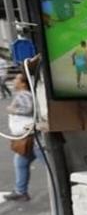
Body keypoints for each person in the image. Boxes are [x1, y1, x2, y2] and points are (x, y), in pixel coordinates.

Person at [5, 73, 39, 202]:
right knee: (20, 162)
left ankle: (21, 191)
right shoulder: (23, 94)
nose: (14, 81)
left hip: (30, 137)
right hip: (27, 137)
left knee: (48, 163)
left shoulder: (23, 94)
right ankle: (20, 191)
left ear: (23, 83)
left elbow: (28, 109)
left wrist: (12, 110)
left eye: (16, 79)